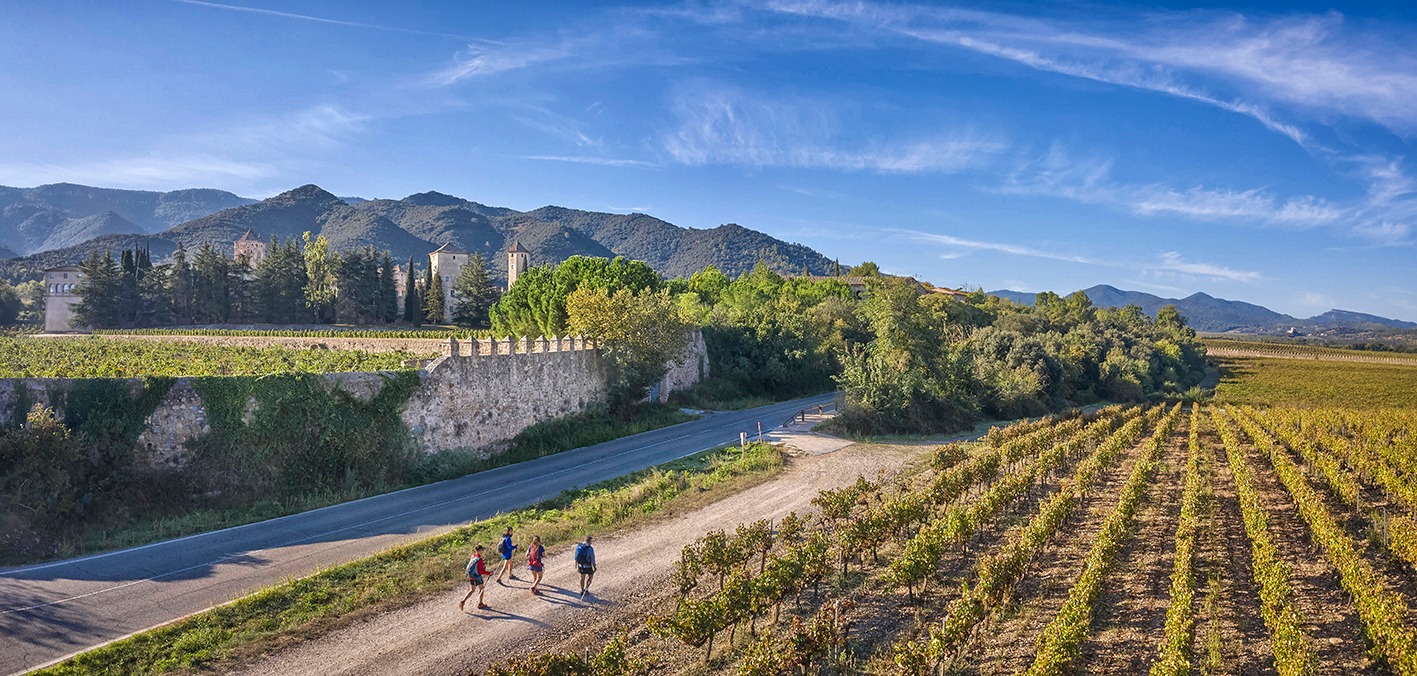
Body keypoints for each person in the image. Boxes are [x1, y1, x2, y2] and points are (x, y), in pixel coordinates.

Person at [459, 544, 491, 611]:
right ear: (480, 550)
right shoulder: (479, 559)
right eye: (482, 550)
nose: (482, 551)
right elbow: (481, 571)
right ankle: (480, 603)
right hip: (477, 577)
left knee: (472, 590)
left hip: (471, 576)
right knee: (482, 589)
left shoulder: (473, 556)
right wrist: (489, 573)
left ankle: (463, 601)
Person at [574, 534, 596, 600]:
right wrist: (594, 566)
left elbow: (576, 555)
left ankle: (582, 590)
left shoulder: (579, 546)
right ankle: (586, 589)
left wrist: (576, 563)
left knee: (582, 577)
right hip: (588, 566)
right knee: (591, 576)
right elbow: (592, 558)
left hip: (581, 565)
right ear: (590, 541)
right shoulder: (590, 548)